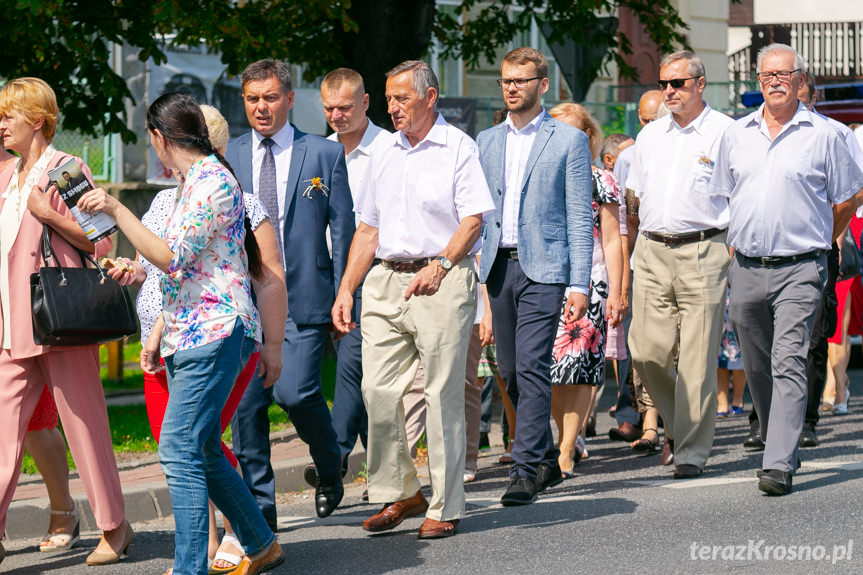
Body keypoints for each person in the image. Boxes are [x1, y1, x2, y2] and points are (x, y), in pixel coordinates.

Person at [78, 92, 284, 574]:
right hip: (189, 332)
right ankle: (260, 542)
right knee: (203, 445)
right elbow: (175, 269)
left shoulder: (212, 182)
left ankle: (190, 567)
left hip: (215, 332)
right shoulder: (195, 181)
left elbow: (173, 259)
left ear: (159, 137)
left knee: (179, 446)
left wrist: (115, 208)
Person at [332, 60, 494, 538]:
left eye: (402, 98)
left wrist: (441, 264)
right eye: (388, 99)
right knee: (377, 391)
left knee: (442, 393)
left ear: (430, 97)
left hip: (442, 277)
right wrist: (347, 287)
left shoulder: (458, 147)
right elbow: (369, 228)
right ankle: (403, 491)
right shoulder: (385, 151)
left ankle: (445, 505)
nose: (393, 107)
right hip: (386, 279)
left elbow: (473, 221)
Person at [711, 43, 863, 496]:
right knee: (756, 364)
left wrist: (820, 236)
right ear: (758, 83)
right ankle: (784, 434)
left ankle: (777, 461)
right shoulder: (737, 135)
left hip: (802, 266)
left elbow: (849, 197)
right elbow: (723, 196)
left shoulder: (828, 134)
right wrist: (733, 248)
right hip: (746, 266)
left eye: (784, 74)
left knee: (789, 358)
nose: (774, 81)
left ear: (800, 81)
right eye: (766, 76)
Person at [0, 77, 132, 568]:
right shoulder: (6, 173)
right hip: (12, 326)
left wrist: (48, 216)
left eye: (8, 116)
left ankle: (115, 528)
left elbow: (103, 241)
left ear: (37, 120)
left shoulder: (68, 169)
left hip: (60, 320)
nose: (1, 124)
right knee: (1, 433)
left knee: (85, 429)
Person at [227, 59, 354, 523]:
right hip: (243, 300)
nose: (262, 107)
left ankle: (329, 466)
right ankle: (261, 511)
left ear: (289, 98)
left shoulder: (322, 153)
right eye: (252, 98)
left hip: (304, 296)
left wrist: (345, 292)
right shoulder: (229, 154)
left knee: (297, 393)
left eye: (271, 97)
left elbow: (343, 231)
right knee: (246, 405)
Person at [476, 47, 594, 505]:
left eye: (521, 80)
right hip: (498, 266)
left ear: (542, 85)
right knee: (508, 370)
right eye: (506, 80)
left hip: (545, 268)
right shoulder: (485, 141)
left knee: (530, 365)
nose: (511, 87)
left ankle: (524, 470)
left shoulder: (567, 140)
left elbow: (580, 218)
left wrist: (579, 283)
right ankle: (545, 456)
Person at [626, 51, 734, 479]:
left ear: (700, 84)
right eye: (664, 83)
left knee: (696, 360)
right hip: (652, 251)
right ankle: (678, 424)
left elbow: (739, 196)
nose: (668, 91)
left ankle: (690, 450)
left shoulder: (726, 132)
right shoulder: (651, 136)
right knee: (645, 353)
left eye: (678, 83)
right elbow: (634, 200)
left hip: (704, 249)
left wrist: (729, 249)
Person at [546, 103, 623, 476]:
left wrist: (617, 290)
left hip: (590, 281)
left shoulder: (600, 179)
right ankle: (567, 434)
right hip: (543, 281)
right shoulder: (541, 176)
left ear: (588, 137)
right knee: (547, 370)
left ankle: (564, 451)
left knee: (576, 370)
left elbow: (612, 240)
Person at [320, 68, 387, 480]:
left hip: (374, 274)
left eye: (345, 107)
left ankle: (335, 455)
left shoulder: (390, 149)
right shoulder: (321, 152)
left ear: (365, 103)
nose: (337, 115)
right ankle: (383, 473)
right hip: (328, 276)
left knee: (351, 363)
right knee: (361, 379)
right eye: (329, 108)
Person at [609, 90, 663, 447]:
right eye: (644, 120)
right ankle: (632, 414)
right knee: (633, 343)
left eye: (653, 120)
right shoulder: (629, 157)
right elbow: (623, 218)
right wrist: (623, 276)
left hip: (676, 251)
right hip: (637, 255)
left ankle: (657, 420)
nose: (648, 127)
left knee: (661, 344)